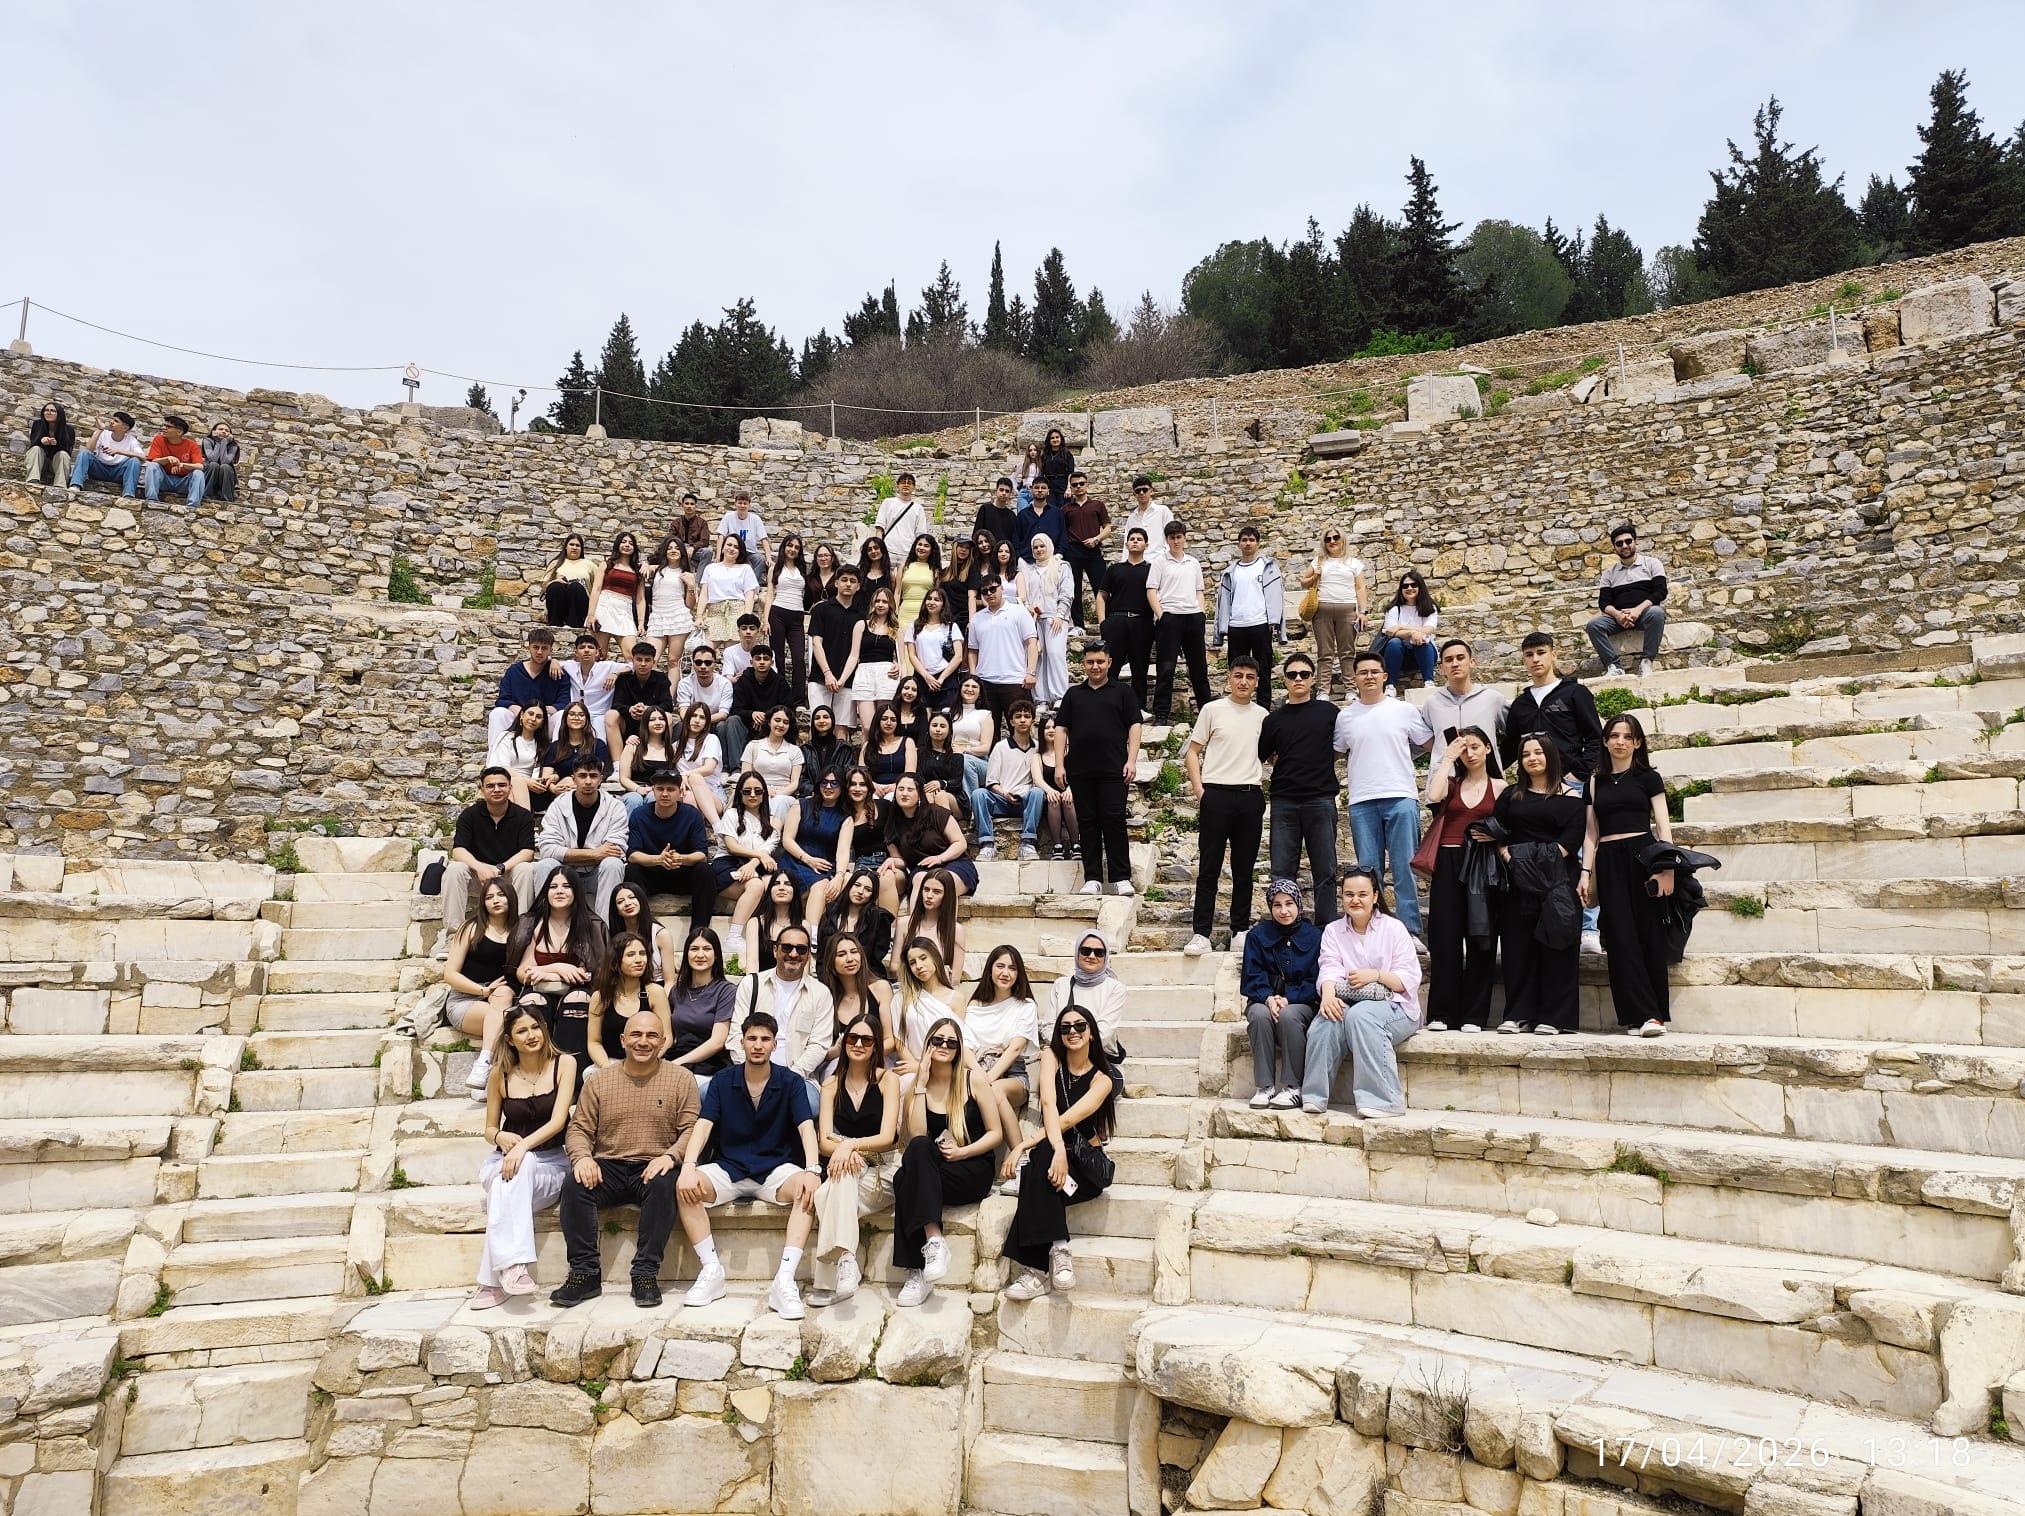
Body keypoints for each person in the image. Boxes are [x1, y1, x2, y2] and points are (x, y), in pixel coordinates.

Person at [675, 1011, 822, 1319]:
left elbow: (806, 1128)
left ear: (775, 1044)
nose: (758, 1045)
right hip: (730, 1168)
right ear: (741, 1042)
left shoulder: (791, 1081)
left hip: (776, 1169)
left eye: (765, 1039)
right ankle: (712, 1270)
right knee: (684, 1184)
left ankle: (785, 1279)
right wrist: (689, 1165)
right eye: (752, 1038)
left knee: (808, 1190)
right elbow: (703, 1125)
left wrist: (812, 1169)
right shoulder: (722, 1080)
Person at [549, 1011, 700, 1308]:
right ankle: (584, 1273)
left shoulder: (682, 1078)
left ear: (663, 1042)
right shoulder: (599, 1080)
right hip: (609, 1165)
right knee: (574, 1185)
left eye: (652, 1036)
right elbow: (579, 1128)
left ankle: (645, 1273)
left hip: (655, 1164)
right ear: (622, 1040)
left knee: (665, 1185)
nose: (643, 1042)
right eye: (636, 1035)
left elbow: (691, 1129)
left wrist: (671, 1156)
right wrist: (582, 1159)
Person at [998, 1004, 1119, 1299]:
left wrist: (1027, 1146)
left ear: (1092, 1033)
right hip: (1054, 1161)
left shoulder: (1103, 1080)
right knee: (1041, 1161)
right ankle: (1059, 1250)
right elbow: (1048, 1105)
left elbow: (1067, 1120)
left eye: (1080, 1026)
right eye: (1065, 1028)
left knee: (1035, 1169)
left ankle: (1035, 1272)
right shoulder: (1051, 1058)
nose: (1072, 1032)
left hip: (1086, 1171)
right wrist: (1053, 1149)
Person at [890, 1016, 1007, 1306]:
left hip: (972, 1168)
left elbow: (996, 1133)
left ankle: (916, 1269)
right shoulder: (918, 1085)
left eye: (951, 1042)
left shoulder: (972, 1080)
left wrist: (963, 1152)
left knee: (906, 1180)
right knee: (909, 1167)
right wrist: (921, 1082)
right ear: (928, 1044)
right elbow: (916, 1136)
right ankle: (931, 1246)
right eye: (938, 1040)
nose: (944, 1045)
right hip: (938, 1170)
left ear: (959, 1049)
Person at [1503, 631, 1605, 952]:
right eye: (1529, 654)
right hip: (1532, 788)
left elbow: (1595, 737)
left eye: (1541, 652)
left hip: (1569, 784)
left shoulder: (1574, 693)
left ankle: (1588, 926)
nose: (1535, 659)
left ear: (1553, 654)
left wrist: (1578, 774)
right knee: (1542, 853)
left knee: (1580, 852)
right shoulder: (1520, 704)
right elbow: (1508, 749)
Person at [470, 1005, 579, 1308]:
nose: (531, 1035)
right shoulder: (499, 1074)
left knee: (511, 1181)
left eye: (535, 1027)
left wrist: (521, 1147)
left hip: (551, 1163)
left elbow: (558, 1121)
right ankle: (514, 1268)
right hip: (501, 1163)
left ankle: (492, 1282)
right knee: (511, 1177)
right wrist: (500, 1137)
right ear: (509, 1039)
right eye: (521, 1031)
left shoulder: (564, 1064)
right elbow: (489, 1129)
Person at [1300, 869, 1422, 1117]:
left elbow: (1408, 978)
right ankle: (1314, 1096)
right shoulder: (1333, 930)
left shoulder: (1394, 928)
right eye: (1349, 894)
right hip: (1350, 1001)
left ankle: (1383, 1101)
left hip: (1397, 1006)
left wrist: (1375, 975)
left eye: (1362, 894)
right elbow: (1330, 967)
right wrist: (1328, 995)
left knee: (1361, 1016)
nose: (1355, 900)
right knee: (1327, 1019)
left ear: (1375, 896)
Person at [1580, 715, 1674, 1037]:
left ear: (1637, 743)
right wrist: (1585, 873)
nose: (1620, 741)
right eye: (1614, 735)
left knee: (1649, 935)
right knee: (1620, 939)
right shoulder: (1594, 783)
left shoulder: (1649, 778)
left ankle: (1654, 1015)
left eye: (1627, 736)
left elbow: (1663, 827)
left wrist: (1666, 868)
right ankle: (1637, 1016)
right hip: (1608, 861)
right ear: (1605, 741)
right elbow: (1591, 834)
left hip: (1644, 857)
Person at [1332, 652, 1433, 938]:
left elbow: (1430, 744)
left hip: (1401, 795)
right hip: (1362, 800)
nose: (1369, 677)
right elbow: (1334, 753)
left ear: (1385, 676)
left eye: (1374, 672)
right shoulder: (1345, 717)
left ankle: (1409, 932)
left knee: (1404, 869)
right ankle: (1373, 931)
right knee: (1368, 872)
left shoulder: (1403, 710)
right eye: (1363, 672)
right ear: (1354, 678)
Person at [1491, 735, 1586, 1035]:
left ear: (1551, 756)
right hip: (1516, 879)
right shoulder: (1511, 795)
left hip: (1557, 879)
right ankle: (1519, 1014)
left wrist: (1527, 858)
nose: (1532, 758)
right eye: (1526, 754)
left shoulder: (1572, 797)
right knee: (1517, 947)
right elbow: (1497, 831)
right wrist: (1509, 857)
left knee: (1558, 944)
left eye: (1538, 752)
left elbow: (1571, 840)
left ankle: (1556, 1017)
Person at [807, 1012, 901, 1307]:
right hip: (849, 1170)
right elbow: (823, 1141)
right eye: (852, 1038)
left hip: (884, 1168)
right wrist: (847, 1151)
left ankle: (828, 1281)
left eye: (867, 1040)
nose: (858, 1044)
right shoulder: (830, 1085)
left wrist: (848, 1145)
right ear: (845, 1041)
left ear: (876, 1046)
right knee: (842, 1176)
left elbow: (887, 1136)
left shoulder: (888, 1080)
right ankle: (847, 1261)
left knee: (825, 1194)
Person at [1422, 727, 1505, 1033]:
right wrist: (1447, 758)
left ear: (1487, 748)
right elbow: (1432, 796)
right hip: (1448, 859)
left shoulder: (1499, 786)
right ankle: (1442, 1014)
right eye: (1464, 748)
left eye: (1475, 746)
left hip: (1483, 863)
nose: (1469, 753)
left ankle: (1474, 1015)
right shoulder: (1452, 784)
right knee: (1445, 938)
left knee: (1481, 936)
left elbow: (1509, 824)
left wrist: (1495, 836)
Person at [1183, 656, 1267, 956]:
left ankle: (1240, 930)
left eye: (1249, 677)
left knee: (1244, 868)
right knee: (1209, 867)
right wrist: (1199, 789)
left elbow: (1273, 755)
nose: (1243, 681)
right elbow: (1192, 751)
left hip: (1250, 795)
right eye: (1238, 675)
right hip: (1216, 794)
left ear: (1257, 682)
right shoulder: (1212, 710)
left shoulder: (1263, 716)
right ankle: (1201, 933)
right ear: (1229, 678)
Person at [1259, 651, 1340, 927]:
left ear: (1313, 679)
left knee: (1325, 871)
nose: (1298, 679)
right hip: (1284, 801)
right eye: (1292, 674)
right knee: (1282, 872)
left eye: (1304, 674)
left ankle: (1326, 930)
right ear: (1284, 680)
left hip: (1320, 799)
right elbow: (1264, 754)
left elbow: (1340, 747)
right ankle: (1286, 930)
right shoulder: (1273, 720)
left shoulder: (1329, 712)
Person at [1054, 643, 1141, 897]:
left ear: (1109, 663)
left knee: (1114, 821)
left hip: (1114, 770)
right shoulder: (1073, 694)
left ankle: (1121, 877)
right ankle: (1092, 878)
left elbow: (1135, 725)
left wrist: (1132, 760)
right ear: (1084, 664)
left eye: (1100, 662)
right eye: (1090, 662)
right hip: (1080, 771)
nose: (1095, 666)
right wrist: (1059, 765)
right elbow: (1061, 728)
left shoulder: (1123, 692)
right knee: (1087, 823)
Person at [510, 866, 608, 1065]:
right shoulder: (532, 923)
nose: (559, 891)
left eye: (566, 886)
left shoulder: (592, 925)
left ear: (576, 891)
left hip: (578, 990)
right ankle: (537, 1069)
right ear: (546, 892)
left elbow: (591, 973)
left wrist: (545, 972)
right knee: (532, 1000)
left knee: (577, 998)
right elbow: (523, 973)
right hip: (540, 989)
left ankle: (574, 1071)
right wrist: (557, 969)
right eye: (553, 886)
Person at [1241, 880, 1323, 1108]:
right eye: (1277, 905)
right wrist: (1268, 997)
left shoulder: (1315, 936)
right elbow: (1251, 976)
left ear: (1298, 905)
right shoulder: (1257, 936)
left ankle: (1293, 1087)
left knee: (1289, 1015)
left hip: (1302, 1002)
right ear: (1271, 907)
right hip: (1264, 999)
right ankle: (1265, 1087)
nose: (1283, 911)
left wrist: (1288, 998)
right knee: (1258, 1014)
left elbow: (1316, 980)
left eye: (1289, 904)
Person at [729, 922, 835, 1083]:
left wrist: (789, 1079)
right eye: (786, 947)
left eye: (801, 949)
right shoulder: (751, 984)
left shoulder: (820, 993)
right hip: (750, 1075)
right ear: (775, 950)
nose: (794, 954)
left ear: (808, 955)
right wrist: (750, 1073)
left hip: (798, 1078)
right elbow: (736, 1035)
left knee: (810, 1098)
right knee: (706, 1091)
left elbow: (818, 1045)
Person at [443, 768, 538, 938]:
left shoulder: (523, 816)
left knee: (526, 869)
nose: (496, 789)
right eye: (490, 786)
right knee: (454, 870)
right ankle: (454, 936)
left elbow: (528, 852)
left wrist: (500, 868)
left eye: (502, 785)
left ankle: (518, 935)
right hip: (478, 876)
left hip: (508, 874)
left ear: (510, 788)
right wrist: (480, 868)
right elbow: (458, 850)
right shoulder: (469, 815)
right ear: (482, 790)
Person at [447, 878, 520, 1097]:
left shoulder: (519, 930)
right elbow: (449, 974)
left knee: (505, 999)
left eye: (501, 895)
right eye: (489, 897)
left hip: (501, 999)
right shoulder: (471, 928)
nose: (495, 900)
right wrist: (483, 991)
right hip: (465, 1000)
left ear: (511, 897)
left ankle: (489, 1076)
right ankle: (486, 1066)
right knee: (505, 1019)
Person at [624, 771, 717, 936]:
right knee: (632, 870)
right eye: (660, 789)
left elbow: (701, 854)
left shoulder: (692, 814)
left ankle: (699, 932)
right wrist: (658, 859)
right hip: (652, 874)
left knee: (705, 871)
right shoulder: (639, 814)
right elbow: (632, 855)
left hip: (682, 873)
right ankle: (639, 931)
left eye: (670, 789)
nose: (665, 794)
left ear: (680, 792)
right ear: (653, 790)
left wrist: (680, 858)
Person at [536, 757, 630, 916]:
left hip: (596, 873)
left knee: (613, 864)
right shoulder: (558, 806)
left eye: (593, 776)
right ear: (573, 779)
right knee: (545, 865)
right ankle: (546, 923)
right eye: (582, 776)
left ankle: (605, 927)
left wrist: (569, 854)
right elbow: (547, 850)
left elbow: (616, 850)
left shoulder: (615, 807)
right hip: (565, 873)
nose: (588, 781)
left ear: (601, 779)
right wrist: (595, 853)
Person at [1421, 641, 1510, 802]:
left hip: (1486, 787)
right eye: (1449, 660)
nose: (1455, 663)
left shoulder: (1492, 699)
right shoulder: (1432, 703)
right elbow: (1423, 738)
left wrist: (1497, 759)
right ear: (1441, 668)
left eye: (1460, 658)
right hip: (1444, 788)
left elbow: (1515, 733)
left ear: (1472, 662)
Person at [964, 943, 1039, 1116]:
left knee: (995, 1091)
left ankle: (1012, 1138)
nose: (1005, 973)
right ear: (990, 970)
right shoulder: (975, 1005)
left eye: (1012, 968)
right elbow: (966, 1046)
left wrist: (988, 1079)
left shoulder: (1026, 1006)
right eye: (1000, 966)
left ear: (1018, 974)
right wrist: (980, 1076)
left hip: (1012, 1075)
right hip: (976, 1069)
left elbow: (1016, 1048)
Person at [1148, 520, 1210, 723]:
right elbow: (1151, 590)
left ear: (1184, 538)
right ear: (1167, 540)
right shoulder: (1159, 562)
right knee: (1166, 669)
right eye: (1172, 537)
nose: (1176, 541)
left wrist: (1201, 613)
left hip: (1193, 617)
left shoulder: (1193, 562)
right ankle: (1161, 714)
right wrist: (1161, 615)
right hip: (1170, 617)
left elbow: (1199, 590)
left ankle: (1207, 713)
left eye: (1179, 537)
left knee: (1199, 668)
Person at [1588, 524, 1669, 678]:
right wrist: (1618, 615)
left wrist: (1637, 611)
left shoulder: (1652, 564)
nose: (1624, 546)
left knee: (1657, 613)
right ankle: (1614, 666)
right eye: (1619, 543)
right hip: (1619, 618)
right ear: (1614, 548)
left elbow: (1660, 592)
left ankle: (1646, 662)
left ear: (1635, 542)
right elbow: (1604, 603)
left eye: (1628, 541)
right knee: (1593, 625)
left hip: (1645, 614)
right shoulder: (1609, 574)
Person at [1213, 525, 1285, 700]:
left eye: (1252, 540)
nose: (1248, 543)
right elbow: (1222, 602)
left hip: (1261, 624)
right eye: (1244, 540)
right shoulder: (1231, 572)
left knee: (1264, 670)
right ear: (1239, 544)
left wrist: (1275, 622)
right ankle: (1239, 705)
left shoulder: (1267, 567)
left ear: (1258, 543)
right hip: (1236, 626)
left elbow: (1277, 596)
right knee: (1237, 671)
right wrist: (1221, 628)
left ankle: (1263, 709)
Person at [587, 932, 673, 1072]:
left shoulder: (655, 992)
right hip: (611, 1065)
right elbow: (594, 1042)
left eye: (642, 953)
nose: (639, 960)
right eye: (631, 954)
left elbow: (667, 1038)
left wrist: (647, 1062)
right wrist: (607, 1068)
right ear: (616, 961)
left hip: (649, 1062)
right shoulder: (600, 997)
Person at [1299, 527, 1368, 701]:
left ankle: (1351, 690)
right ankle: (1323, 691)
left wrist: (1363, 611)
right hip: (1322, 611)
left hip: (1347, 610)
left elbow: (1360, 587)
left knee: (1348, 652)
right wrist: (1314, 576)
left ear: (1342, 540)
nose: (1332, 541)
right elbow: (1303, 582)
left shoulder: (1354, 563)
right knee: (1325, 653)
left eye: (1336, 537)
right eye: (1328, 539)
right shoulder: (1319, 561)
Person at [974, 699, 1045, 862]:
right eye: (1018, 716)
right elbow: (992, 782)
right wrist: (1005, 793)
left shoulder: (1038, 747)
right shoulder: (1001, 747)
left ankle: (1027, 843)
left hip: (1026, 801)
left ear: (1032, 720)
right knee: (978, 794)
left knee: (1037, 792)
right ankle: (987, 844)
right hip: (1002, 799)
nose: (1022, 720)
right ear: (1011, 721)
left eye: (1027, 716)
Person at [1045, 929, 1127, 1066]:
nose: (1092, 956)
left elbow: (1103, 1033)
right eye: (1086, 951)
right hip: (1064, 1057)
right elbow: (1049, 1027)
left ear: (1106, 956)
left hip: (1099, 1060)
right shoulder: (1061, 985)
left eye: (1099, 952)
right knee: (1047, 1056)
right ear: (1077, 953)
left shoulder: (1115, 988)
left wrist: (1072, 1043)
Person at [1096, 527, 1155, 714]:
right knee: (1112, 665)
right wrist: (1103, 623)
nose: (1135, 541)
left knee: (1140, 667)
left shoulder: (1152, 570)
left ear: (1146, 545)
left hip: (1142, 623)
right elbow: (1102, 595)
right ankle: (1109, 704)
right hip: (1116, 621)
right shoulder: (1114, 569)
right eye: (1132, 538)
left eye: (1139, 539)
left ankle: (1138, 707)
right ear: (1127, 543)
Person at [667, 927, 737, 1075]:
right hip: (677, 1058)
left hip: (711, 1066)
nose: (700, 955)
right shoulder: (676, 990)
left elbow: (718, 1042)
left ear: (716, 955)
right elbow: (668, 1035)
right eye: (694, 949)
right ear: (686, 954)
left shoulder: (726, 991)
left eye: (706, 949)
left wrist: (679, 1063)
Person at [969, 576, 1039, 720]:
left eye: (992, 589)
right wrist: (974, 676)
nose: (989, 593)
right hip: (985, 681)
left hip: (1015, 680)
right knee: (988, 730)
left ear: (1002, 588)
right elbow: (973, 650)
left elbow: (1032, 643)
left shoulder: (1019, 612)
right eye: (985, 591)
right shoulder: (977, 618)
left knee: (1020, 728)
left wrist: (1031, 672)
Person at [490, 626, 569, 751]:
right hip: (519, 718)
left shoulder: (558, 672)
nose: (539, 652)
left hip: (545, 720)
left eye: (544, 648)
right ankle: (495, 759)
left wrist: (552, 708)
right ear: (529, 647)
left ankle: (556, 758)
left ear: (551, 650)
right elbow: (502, 699)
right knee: (498, 713)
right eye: (536, 647)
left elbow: (565, 700)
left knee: (561, 715)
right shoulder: (514, 671)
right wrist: (513, 707)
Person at [808, 565, 865, 732]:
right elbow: (816, 643)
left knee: (841, 728)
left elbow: (857, 653)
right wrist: (827, 674)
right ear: (836, 583)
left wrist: (841, 679)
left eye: (852, 581)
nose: (848, 584)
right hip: (820, 677)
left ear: (858, 586)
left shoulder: (861, 616)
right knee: (818, 726)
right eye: (844, 580)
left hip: (847, 679)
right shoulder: (821, 609)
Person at [1018, 535, 1073, 706]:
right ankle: (1041, 698)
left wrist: (1060, 614)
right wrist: (1028, 608)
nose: (1039, 550)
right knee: (1038, 656)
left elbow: (1067, 592)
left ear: (1049, 546)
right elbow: (1025, 595)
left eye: (1042, 546)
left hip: (1055, 617)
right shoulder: (1029, 570)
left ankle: (1059, 696)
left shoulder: (1061, 566)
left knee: (1055, 654)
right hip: (1034, 619)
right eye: (1035, 547)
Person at [781, 770, 848, 904]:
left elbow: (843, 851)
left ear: (842, 787)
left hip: (823, 866)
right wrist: (808, 859)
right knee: (820, 885)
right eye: (824, 782)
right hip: (795, 860)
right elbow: (787, 839)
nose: (828, 787)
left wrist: (839, 876)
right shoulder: (800, 805)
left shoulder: (845, 817)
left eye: (834, 783)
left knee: (825, 885)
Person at [849, 587, 907, 735]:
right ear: (873, 603)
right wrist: (842, 679)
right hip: (864, 674)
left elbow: (902, 660)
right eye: (878, 601)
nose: (880, 604)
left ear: (890, 605)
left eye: (885, 602)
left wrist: (904, 682)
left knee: (884, 726)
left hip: (887, 676)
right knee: (867, 727)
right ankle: (866, 751)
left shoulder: (896, 629)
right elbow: (853, 656)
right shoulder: (861, 625)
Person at [724, 644, 790, 773]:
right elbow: (736, 708)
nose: (762, 662)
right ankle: (737, 770)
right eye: (758, 659)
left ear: (772, 662)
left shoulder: (780, 682)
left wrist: (767, 718)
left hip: (771, 726)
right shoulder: (743, 680)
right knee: (732, 720)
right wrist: (752, 714)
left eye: (766, 659)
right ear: (751, 662)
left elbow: (787, 708)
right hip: (747, 724)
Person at [894, 868, 966, 983]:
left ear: (947, 895)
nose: (929, 895)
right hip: (910, 986)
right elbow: (895, 965)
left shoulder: (956, 930)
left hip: (941, 989)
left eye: (937, 892)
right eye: (926, 889)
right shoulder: (904, 923)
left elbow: (955, 978)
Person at [1374, 571, 1440, 692]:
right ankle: (1390, 686)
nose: (1409, 588)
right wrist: (1411, 633)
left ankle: (1429, 682)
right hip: (1398, 655)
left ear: (1420, 586)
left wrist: (1401, 626)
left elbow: (1428, 630)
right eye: (1405, 586)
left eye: (1413, 585)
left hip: (1423, 654)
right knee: (1395, 642)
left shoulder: (1430, 608)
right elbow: (1391, 632)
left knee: (1421, 640)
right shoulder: (1394, 609)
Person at [604, 640, 672, 757]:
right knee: (611, 715)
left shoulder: (661, 679)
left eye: (647, 660)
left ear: (653, 662)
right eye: (639, 659)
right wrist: (630, 709)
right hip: (628, 723)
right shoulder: (623, 679)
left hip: (652, 722)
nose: (643, 664)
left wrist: (648, 710)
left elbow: (668, 705)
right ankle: (617, 763)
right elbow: (616, 705)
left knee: (668, 717)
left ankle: (664, 758)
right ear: (633, 661)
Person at [1059, 471, 1110, 627]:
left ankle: (1106, 623)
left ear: (1087, 485)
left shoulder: (1097, 505)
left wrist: (1096, 539)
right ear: (1071, 488)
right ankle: (1079, 626)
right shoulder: (1065, 509)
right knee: (1074, 589)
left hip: (1093, 550)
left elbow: (1107, 527)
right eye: (1075, 485)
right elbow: (1062, 531)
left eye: (1081, 483)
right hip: (1073, 551)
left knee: (1101, 587)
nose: (1079, 487)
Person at [819, 875, 894, 978]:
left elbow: (875, 959)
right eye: (857, 885)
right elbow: (821, 956)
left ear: (873, 895)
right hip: (831, 977)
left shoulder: (879, 919)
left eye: (868, 889)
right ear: (849, 886)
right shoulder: (830, 914)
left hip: (866, 977)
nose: (860, 891)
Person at [607, 881, 676, 992]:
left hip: (657, 990)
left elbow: (669, 982)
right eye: (620, 901)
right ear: (616, 910)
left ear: (641, 901)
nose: (627, 903)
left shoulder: (661, 934)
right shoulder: (614, 936)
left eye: (632, 897)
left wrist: (663, 1000)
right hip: (625, 992)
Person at [763, 535, 811, 694]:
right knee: (778, 658)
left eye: (796, 547)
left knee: (799, 659)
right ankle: (780, 695)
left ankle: (798, 699)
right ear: (784, 547)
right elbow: (769, 596)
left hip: (797, 616)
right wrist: (765, 621)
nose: (793, 549)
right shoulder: (775, 569)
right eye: (790, 545)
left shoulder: (802, 570)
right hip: (778, 613)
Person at [561, 635, 627, 747]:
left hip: (599, 715)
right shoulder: (570, 666)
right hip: (577, 713)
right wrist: (554, 661)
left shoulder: (607, 667)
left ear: (597, 652)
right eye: (582, 647)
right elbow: (549, 660)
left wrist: (616, 673)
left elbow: (632, 666)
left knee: (598, 738)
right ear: (576, 653)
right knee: (560, 718)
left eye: (590, 647)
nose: (586, 650)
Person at [587, 532, 646, 654]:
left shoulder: (638, 571)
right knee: (600, 654)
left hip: (625, 612)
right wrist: (591, 614)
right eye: (623, 542)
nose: (627, 545)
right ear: (617, 545)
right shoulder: (606, 565)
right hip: (604, 608)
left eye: (631, 543)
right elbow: (596, 589)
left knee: (631, 653)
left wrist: (641, 623)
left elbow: (640, 599)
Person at [909, 586, 966, 711]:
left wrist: (941, 679)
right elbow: (912, 655)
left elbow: (958, 656)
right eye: (929, 599)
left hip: (946, 679)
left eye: (937, 599)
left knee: (944, 718)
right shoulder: (914, 626)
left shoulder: (952, 627)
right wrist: (926, 676)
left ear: (943, 604)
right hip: (922, 678)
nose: (932, 602)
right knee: (923, 718)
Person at [644, 537, 699, 665]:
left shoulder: (687, 574)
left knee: (673, 660)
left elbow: (689, 605)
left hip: (678, 618)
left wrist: (691, 586)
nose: (673, 551)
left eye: (677, 548)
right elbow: (640, 568)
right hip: (657, 618)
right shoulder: (656, 569)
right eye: (669, 548)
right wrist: (644, 565)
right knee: (650, 659)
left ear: (682, 552)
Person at [700, 534, 761, 648]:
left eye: (736, 547)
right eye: (729, 545)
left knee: (732, 653)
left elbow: (749, 595)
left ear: (740, 551)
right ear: (723, 548)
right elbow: (704, 594)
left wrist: (746, 619)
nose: (732, 548)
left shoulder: (745, 569)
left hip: (737, 614)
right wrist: (699, 616)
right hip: (714, 614)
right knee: (704, 652)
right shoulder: (710, 568)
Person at [1033, 711, 1080, 860]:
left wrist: (1070, 789)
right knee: (1054, 800)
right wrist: (1050, 791)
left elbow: (1078, 775)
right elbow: (1037, 779)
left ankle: (1076, 845)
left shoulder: (1070, 753)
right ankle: (1057, 846)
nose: (1051, 730)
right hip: (1050, 800)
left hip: (1071, 797)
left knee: (1067, 799)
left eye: (1054, 727)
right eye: (1047, 728)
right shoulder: (1037, 756)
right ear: (1041, 732)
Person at [617, 706, 680, 816]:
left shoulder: (672, 749)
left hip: (660, 791)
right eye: (652, 720)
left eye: (661, 719)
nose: (658, 722)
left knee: (654, 797)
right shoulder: (633, 746)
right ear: (645, 723)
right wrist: (638, 789)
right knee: (633, 800)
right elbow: (623, 778)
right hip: (634, 790)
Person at [744, 870, 807, 976]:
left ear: (795, 891)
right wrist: (754, 985)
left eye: (788, 884)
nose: (781, 888)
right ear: (770, 890)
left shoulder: (803, 925)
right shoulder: (755, 923)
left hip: (793, 984)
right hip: (762, 983)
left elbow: (804, 968)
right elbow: (752, 964)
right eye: (776, 884)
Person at [488, 703, 551, 811]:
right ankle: (524, 820)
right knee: (514, 785)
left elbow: (538, 771)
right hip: (504, 779)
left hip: (529, 787)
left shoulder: (541, 745)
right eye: (530, 714)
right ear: (521, 715)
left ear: (542, 722)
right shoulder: (506, 737)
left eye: (538, 717)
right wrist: (525, 781)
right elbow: (502, 766)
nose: (533, 719)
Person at [672, 702, 726, 824]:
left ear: (707, 723)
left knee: (695, 778)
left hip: (712, 794)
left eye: (702, 718)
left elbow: (709, 768)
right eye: (694, 716)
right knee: (688, 795)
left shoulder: (711, 739)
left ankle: (717, 825)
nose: (697, 720)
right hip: (685, 794)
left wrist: (685, 774)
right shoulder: (676, 745)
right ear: (687, 718)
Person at [68, 410, 144, 496]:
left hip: (118, 472)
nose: (111, 422)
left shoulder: (131, 440)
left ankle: (128, 494)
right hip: (100, 469)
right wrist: (100, 430)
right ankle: (76, 485)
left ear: (125, 428)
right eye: (112, 419)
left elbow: (142, 456)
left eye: (116, 421)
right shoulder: (103, 433)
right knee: (84, 453)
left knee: (135, 461)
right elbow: (88, 449)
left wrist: (119, 451)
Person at [740, 706, 803, 806]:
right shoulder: (753, 746)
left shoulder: (795, 751)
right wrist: (764, 792)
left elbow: (794, 783)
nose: (781, 725)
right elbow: (745, 777)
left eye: (786, 722)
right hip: (756, 794)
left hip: (784, 796)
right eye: (777, 720)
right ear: (769, 722)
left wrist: (778, 794)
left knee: (779, 801)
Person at [950, 674, 997, 799]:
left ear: (980, 693)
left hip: (978, 762)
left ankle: (971, 803)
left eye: (974, 687)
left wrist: (963, 750)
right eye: (966, 685)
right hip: (951, 757)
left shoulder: (985, 715)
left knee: (964, 760)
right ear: (960, 689)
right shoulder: (948, 713)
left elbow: (985, 749)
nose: (970, 689)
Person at [144, 415, 205, 505]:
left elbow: (200, 466)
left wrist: (182, 464)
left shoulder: (191, 445)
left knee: (198, 473)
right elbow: (153, 460)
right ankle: (151, 499)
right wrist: (168, 458)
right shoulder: (159, 439)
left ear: (179, 432)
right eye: (164, 425)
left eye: (168, 427)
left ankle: (193, 506)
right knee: (152, 466)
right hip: (164, 480)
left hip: (183, 482)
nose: (163, 428)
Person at [873, 472, 930, 562]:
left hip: (908, 553)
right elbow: (879, 529)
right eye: (903, 482)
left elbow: (920, 534)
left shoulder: (918, 508)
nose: (906, 485)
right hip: (887, 550)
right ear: (898, 486)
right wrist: (879, 548)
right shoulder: (888, 503)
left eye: (909, 483)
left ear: (914, 487)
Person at [675, 644, 733, 731]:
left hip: (714, 722)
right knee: (680, 726)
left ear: (714, 664)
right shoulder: (685, 683)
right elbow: (683, 711)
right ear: (693, 663)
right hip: (692, 723)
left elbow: (723, 714)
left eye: (708, 663)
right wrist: (696, 722)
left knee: (722, 726)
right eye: (698, 662)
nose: (703, 666)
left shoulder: (725, 683)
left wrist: (701, 721)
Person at [545, 534, 597, 629]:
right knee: (555, 586)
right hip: (559, 603)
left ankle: (574, 623)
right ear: (566, 546)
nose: (574, 548)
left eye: (577, 545)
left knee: (575, 587)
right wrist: (555, 581)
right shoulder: (555, 564)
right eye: (571, 544)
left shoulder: (590, 565)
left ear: (581, 548)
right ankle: (555, 623)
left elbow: (597, 587)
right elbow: (544, 587)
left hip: (580, 605)